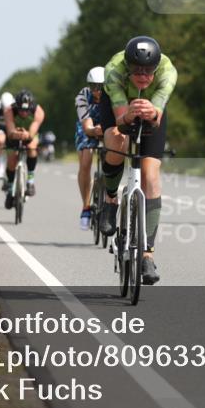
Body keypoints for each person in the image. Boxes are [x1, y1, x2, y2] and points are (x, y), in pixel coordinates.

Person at [99, 36, 177, 285]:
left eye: (148, 72)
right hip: (117, 108)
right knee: (116, 142)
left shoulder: (167, 71)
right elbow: (120, 119)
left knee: (150, 175)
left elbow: (158, 113)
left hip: (151, 109)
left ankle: (147, 255)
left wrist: (152, 112)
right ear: (127, 67)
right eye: (136, 71)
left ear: (156, 67)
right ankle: (110, 199)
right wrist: (128, 114)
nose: (143, 76)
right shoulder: (113, 70)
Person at [75, 66, 106, 230]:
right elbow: (87, 126)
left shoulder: (113, 94)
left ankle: (109, 200)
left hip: (107, 126)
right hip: (88, 127)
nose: (97, 91)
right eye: (94, 86)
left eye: (101, 86)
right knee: (86, 160)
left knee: (113, 156)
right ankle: (86, 206)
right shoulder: (82, 97)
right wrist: (95, 131)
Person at [3, 89, 45, 208]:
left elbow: (33, 130)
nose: (24, 113)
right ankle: (10, 187)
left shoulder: (38, 111)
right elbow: (10, 131)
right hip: (14, 135)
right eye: (21, 110)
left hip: (30, 133)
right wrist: (16, 134)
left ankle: (30, 180)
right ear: (16, 106)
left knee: (32, 147)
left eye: (26, 110)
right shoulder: (9, 110)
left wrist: (28, 135)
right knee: (11, 160)